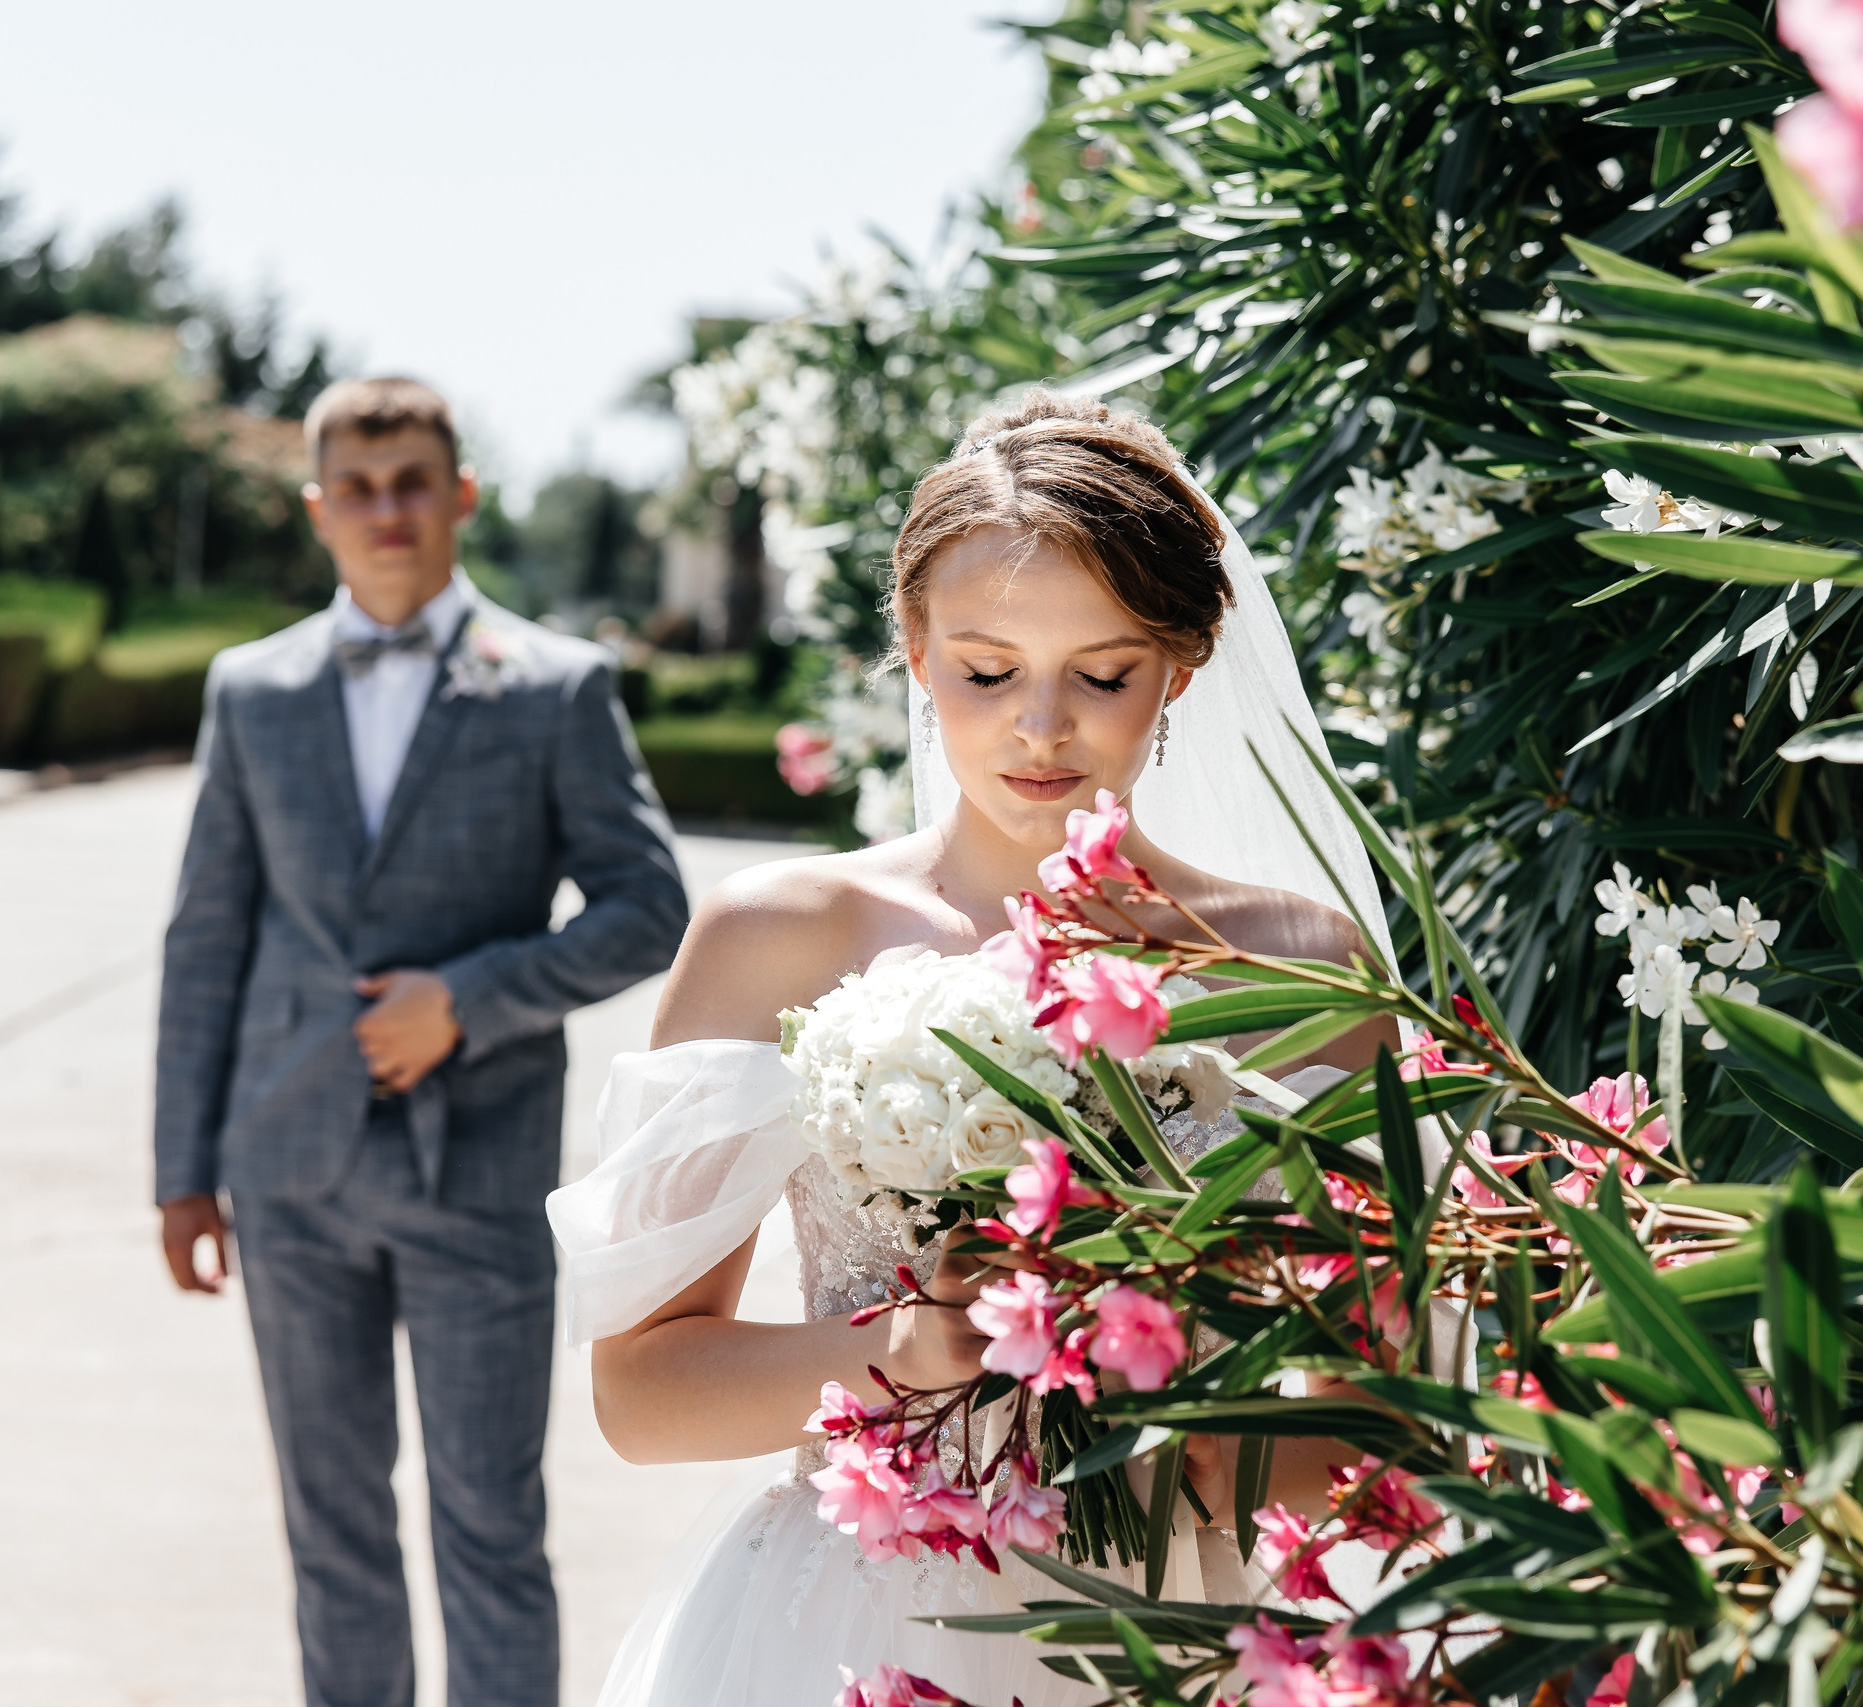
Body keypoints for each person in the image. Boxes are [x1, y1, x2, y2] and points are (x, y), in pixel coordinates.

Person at [546, 391, 1397, 1704]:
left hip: (1172, 1637)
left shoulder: (1302, 966)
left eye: (1102, 675)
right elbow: (642, 1397)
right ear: (916, 647)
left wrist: (1203, 1430)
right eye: (987, 671)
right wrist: (894, 1355)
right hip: (851, 1627)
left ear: (1182, 660)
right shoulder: (775, 939)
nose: (1039, 728)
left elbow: (1372, 1414)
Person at [153, 376, 691, 1707]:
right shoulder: (253, 691)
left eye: (412, 482)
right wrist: (182, 1166)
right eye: (358, 486)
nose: (386, 510)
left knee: (490, 1530)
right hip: (288, 1166)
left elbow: (648, 905)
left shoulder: (556, 688)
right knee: (330, 1534)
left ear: (459, 494)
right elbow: (205, 937)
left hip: (481, 1172)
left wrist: (472, 995)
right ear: (319, 508)